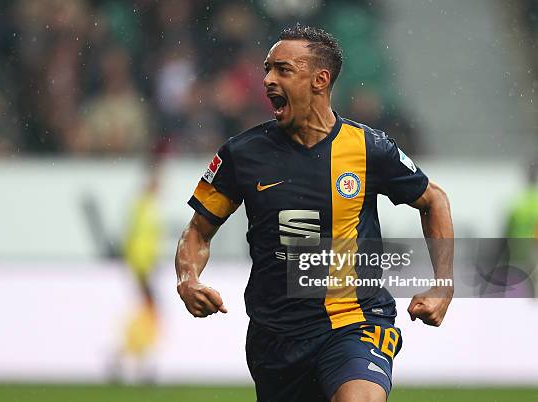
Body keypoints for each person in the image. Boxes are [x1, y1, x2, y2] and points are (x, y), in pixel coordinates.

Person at [175, 24, 453, 402]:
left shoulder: (369, 148)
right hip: (275, 339)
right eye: (267, 69)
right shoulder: (241, 154)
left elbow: (433, 200)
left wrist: (444, 285)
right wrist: (188, 278)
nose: (269, 80)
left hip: (355, 320)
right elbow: (197, 231)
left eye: (283, 70)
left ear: (320, 80)